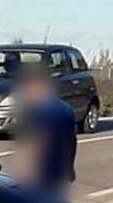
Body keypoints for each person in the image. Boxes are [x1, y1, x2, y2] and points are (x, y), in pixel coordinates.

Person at [16, 63, 77, 192]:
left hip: (42, 172)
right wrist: (70, 168)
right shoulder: (66, 108)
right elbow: (72, 141)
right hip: (60, 171)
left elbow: (40, 140)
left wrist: (27, 169)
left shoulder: (42, 110)